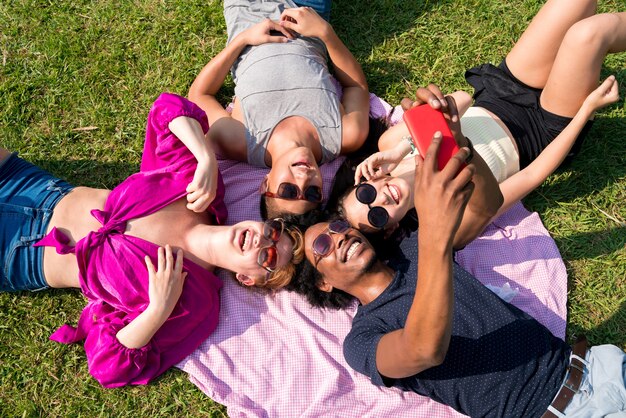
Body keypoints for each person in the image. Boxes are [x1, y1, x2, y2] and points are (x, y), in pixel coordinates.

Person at [288, 133, 626, 417]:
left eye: (337, 227)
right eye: (322, 244)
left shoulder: (414, 251)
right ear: (323, 281)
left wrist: (455, 140)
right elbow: (423, 349)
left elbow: (486, 203)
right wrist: (435, 235)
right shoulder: (362, 340)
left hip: (597, 362)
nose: (339, 237)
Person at [0, 93, 304, 388]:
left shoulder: (195, 303)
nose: (262, 241)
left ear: (247, 279)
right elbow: (168, 109)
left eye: (268, 257)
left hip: (20, 254)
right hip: (35, 186)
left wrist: (157, 310)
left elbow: (109, 366)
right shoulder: (202, 195)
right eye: (272, 232)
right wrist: (205, 158)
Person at [338, 0, 623, 248]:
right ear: (389, 230)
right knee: (587, 34)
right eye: (377, 216)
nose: (382, 200)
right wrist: (586, 111)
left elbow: (462, 100)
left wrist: (404, 149)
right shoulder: (447, 215)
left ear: (366, 180)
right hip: (542, 129)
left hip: (503, 92)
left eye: (366, 195)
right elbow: (532, 176)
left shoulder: (391, 146)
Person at [188, 0, 370, 219]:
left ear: (266, 183)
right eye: (312, 193)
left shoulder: (240, 140)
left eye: (288, 190)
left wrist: (242, 40)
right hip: (306, 11)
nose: (303, 179)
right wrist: (325, 32)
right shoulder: (346, 135)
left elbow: (200, 96)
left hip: (247, 12)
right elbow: (356, 86)